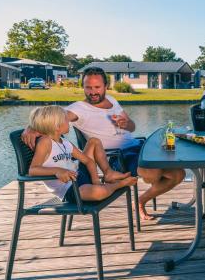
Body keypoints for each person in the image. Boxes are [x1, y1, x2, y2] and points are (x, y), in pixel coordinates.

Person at [22, 67, 185, 220]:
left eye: (97, 87)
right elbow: (52, 118)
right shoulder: (78, 109)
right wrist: (31, 127)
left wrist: (125, 123)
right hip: (118, 157)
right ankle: (128, 183)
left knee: (178, 174)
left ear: (106, 86)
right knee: (153, 174)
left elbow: (132, 126)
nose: (93, 92)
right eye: (88, 87)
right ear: (83, 87)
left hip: (137, 146)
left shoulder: (112, 100)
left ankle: (140, 201)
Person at [28, 106, 137, 202]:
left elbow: (88, 161)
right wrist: (57, 171)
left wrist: (95, 180)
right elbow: (33, 170)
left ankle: (108, 174)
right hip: (69, 189)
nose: (69, 122)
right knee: (98, 192)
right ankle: (117, 185)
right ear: (57, 126)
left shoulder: (64, 142)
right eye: (66, 120)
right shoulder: (45, 142)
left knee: (93, 141)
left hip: (79, 176)